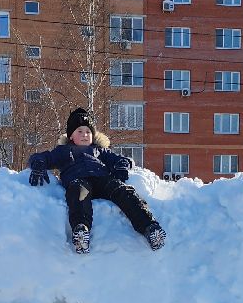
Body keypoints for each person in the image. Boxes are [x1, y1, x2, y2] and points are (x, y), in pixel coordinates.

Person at [29, 107, 165, 254]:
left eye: (88, 132)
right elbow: (42, 157)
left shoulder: (99, 151)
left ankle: (150, 227)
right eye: (79, 131)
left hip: (102, 179)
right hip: (78, 180)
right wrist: (38, 164)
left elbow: (121, 159)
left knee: (123, 191)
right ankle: (81, 231)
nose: (84, 135)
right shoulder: (62, 151)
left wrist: (122, 165)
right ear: (71, 136)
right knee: (78, 194)